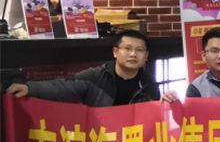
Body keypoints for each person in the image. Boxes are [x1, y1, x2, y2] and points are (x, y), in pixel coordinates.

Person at [5, 30, 176, 105]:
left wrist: (166, 103)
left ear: (146, 56)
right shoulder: (96, 76)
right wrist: (30, 88)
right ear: (115, 52)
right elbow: (62, 86)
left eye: (139, 50)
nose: (133, 54)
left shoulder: (148, 83)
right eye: (128, 48)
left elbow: (154, 118)